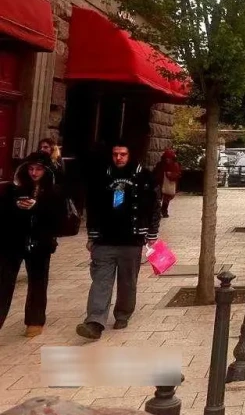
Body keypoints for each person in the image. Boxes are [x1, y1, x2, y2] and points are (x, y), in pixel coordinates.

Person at [76, 143, 160, 340]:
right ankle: (95, 322)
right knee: (100, 281)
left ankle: (123, 313)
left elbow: (153, 206)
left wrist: (152, 233)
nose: (119, 158)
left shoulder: (143, 176)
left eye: (123, 154)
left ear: (130, 155)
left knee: (127, 281)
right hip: (105, 239)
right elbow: (93, 207)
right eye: (115, 154)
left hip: (131, 239)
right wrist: (92, 236)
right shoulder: (101, 176)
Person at [0, 152, 64, 337]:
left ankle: (35, 320)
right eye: (31, 169)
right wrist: (17, 206)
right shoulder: (14, 188)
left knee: (38, 281)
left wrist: (37, 207)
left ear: (46, 171)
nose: (34, 173)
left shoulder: (54, 191)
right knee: (4, 281)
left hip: (40, 242)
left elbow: (57, 219)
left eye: (38, 169)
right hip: (13, 241)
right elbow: (3, 213)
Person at [154, 149, 182, 218]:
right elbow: (155, 173)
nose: (167, 160)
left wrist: (171, 175)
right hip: (160, 183)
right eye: (166, 158)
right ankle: (159, 211)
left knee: (166, 199)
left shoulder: (175, 165)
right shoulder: (160, 165)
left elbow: (178, 174)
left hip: (169, 184)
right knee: (158, 198)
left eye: (169, 158)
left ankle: (163, 211)